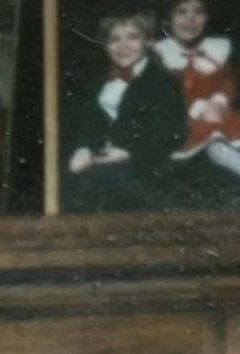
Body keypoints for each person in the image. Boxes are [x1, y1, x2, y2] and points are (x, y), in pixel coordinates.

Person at [155, 0, 240, 193]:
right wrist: (197, 108)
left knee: (239, 129)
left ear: (206, 18)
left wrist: (218, 100)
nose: (190, 19)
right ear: (168, 19)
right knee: (214, 140)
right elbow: (165, 92)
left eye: (198, 12)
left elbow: (226, 80)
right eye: (181, 12)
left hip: (215, 112)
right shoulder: (161, 53)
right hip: (182, 118)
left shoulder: (216, 49)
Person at [64, 12, 189, 213]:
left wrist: (127, 153)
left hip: (146, 168)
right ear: (106, 45)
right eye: (115, 39)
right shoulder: (100, 79)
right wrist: (83, 149)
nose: (123, 46)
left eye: (133, 37)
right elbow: (90, 123)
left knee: (101, 183)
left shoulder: (163, 82)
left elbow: (171, 134)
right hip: (102, 160)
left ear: (147, 42)